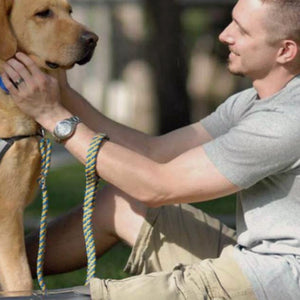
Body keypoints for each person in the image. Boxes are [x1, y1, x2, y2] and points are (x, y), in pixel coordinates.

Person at [2, 0, 300, 298]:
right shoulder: (251, 101)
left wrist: (54, 117)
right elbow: (153, 152)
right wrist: (62, 94)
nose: (224, 35)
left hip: (278, 281)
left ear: (285, 50)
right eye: (232, 21)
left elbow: (157, 187)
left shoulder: (287, 119)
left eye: (242, 31)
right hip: (251, 257)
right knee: (121, 203)